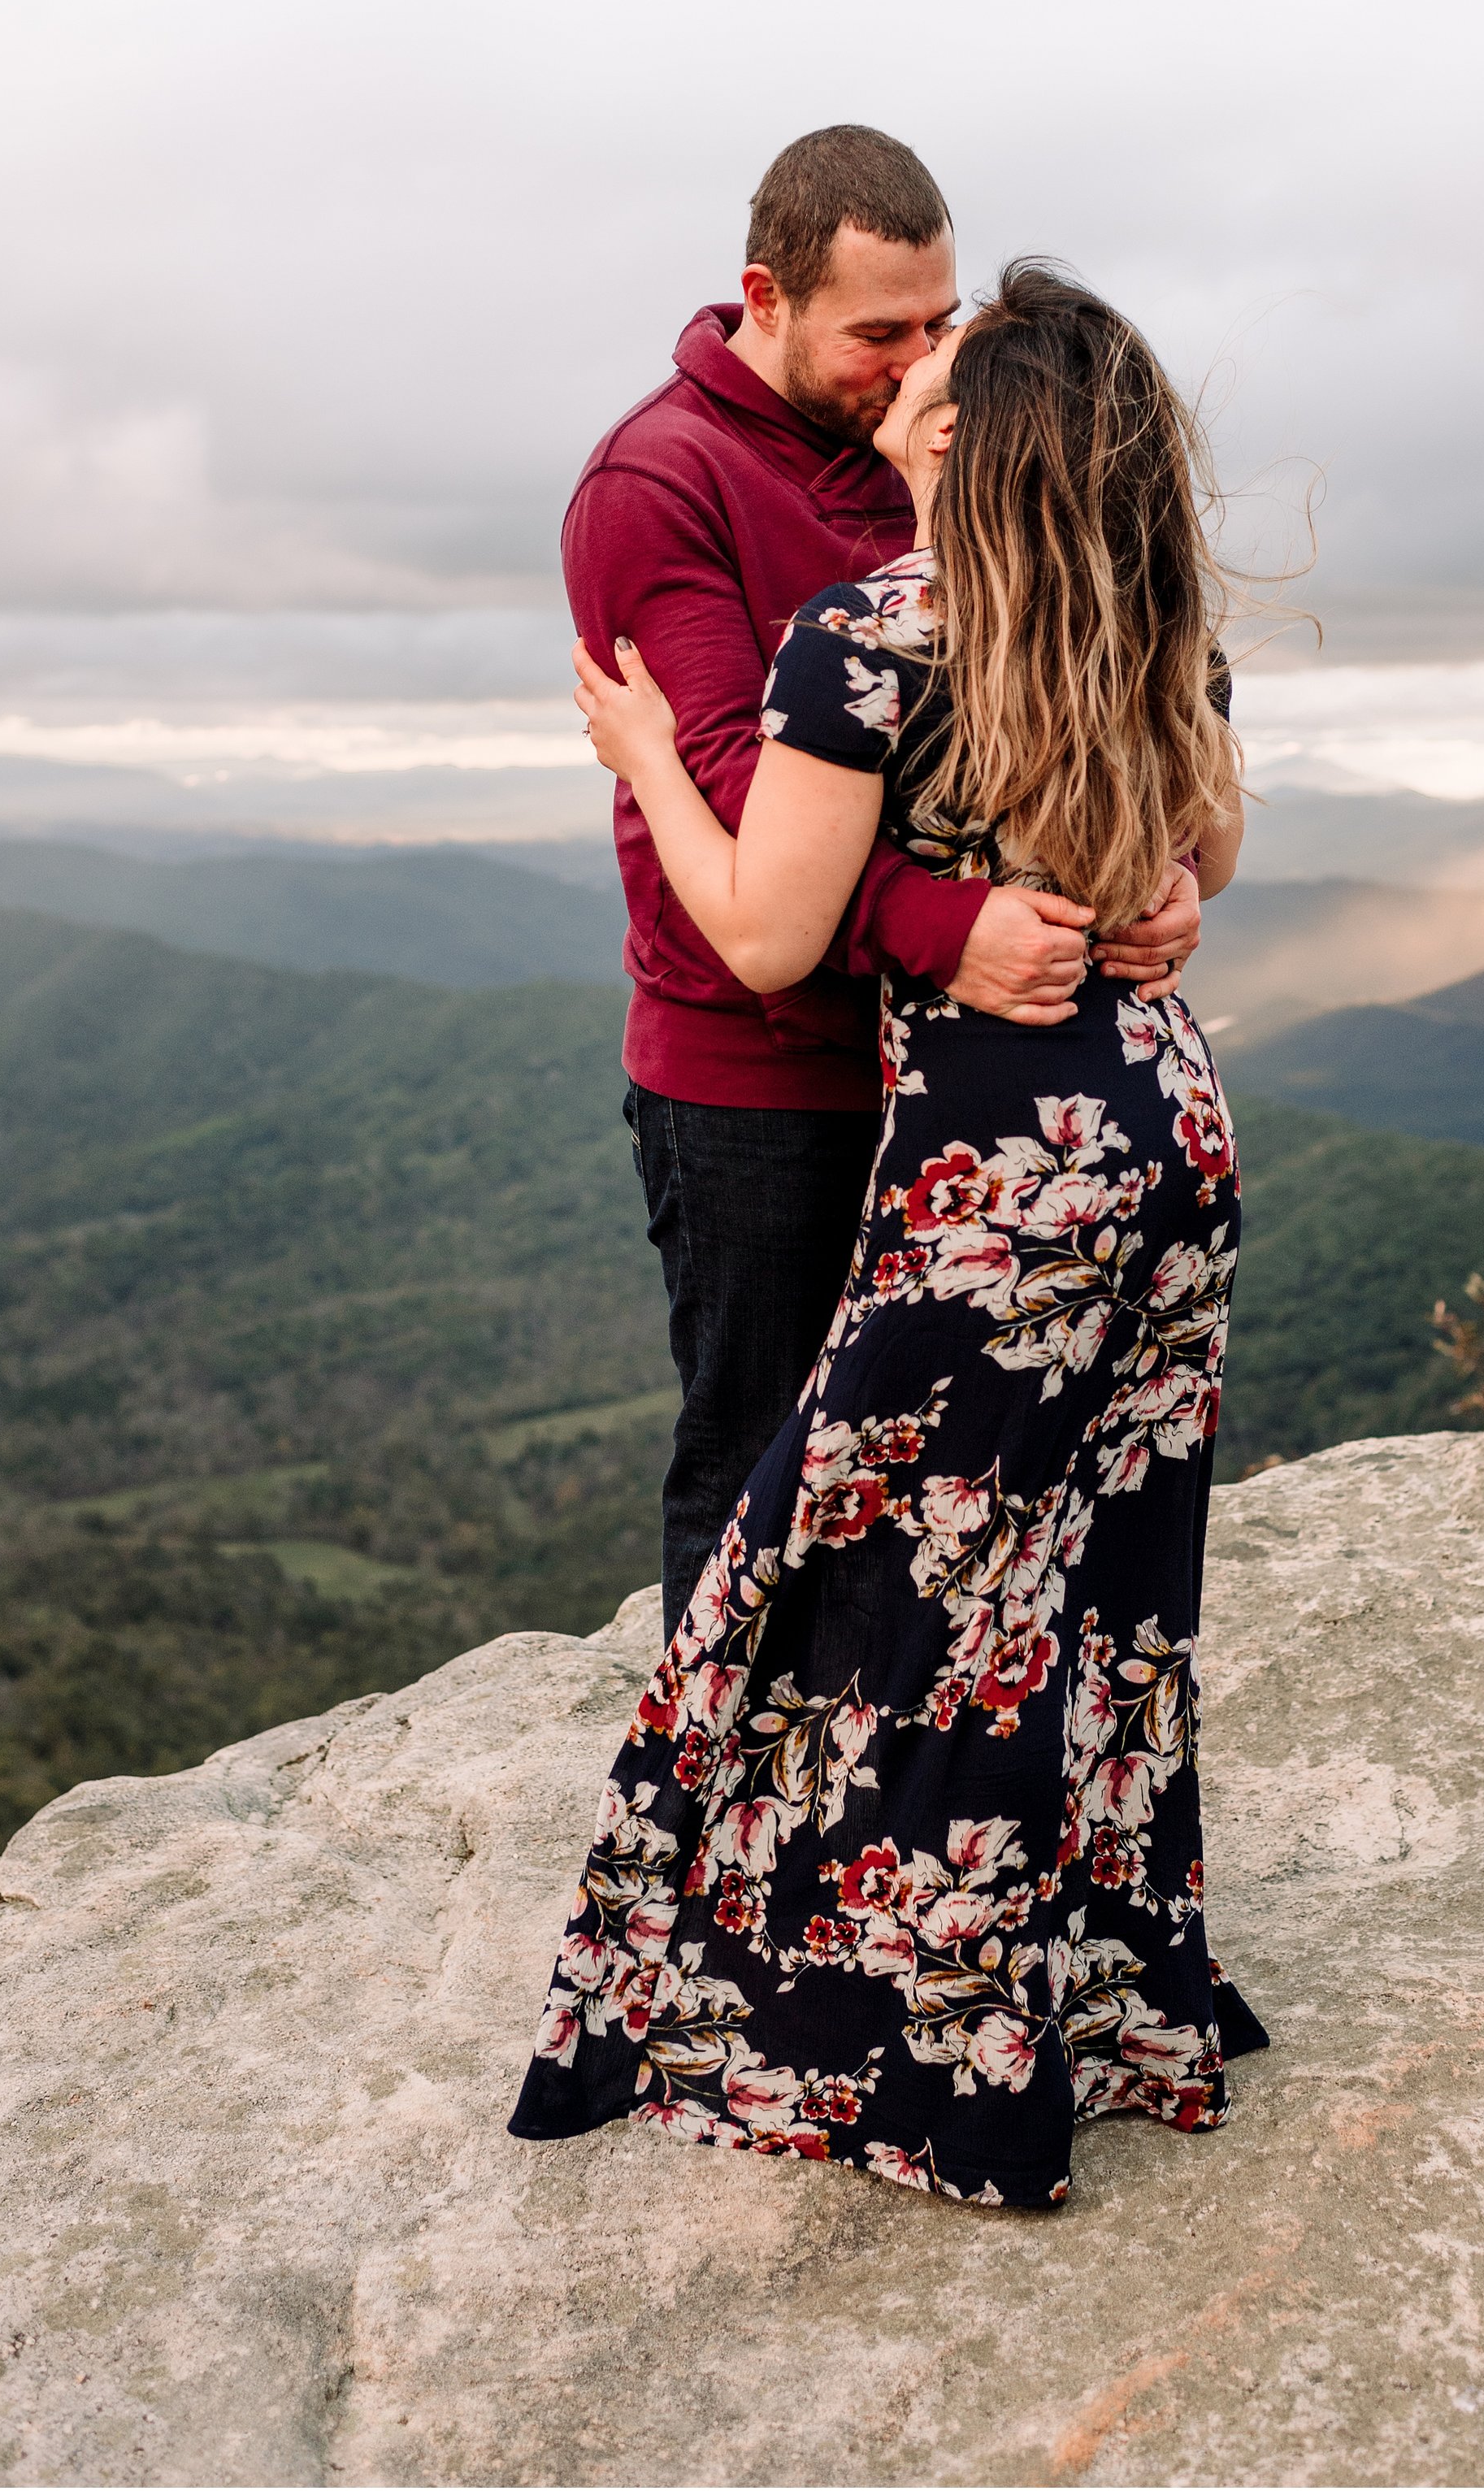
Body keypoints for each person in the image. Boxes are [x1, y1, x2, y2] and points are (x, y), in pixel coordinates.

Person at [510, 262, 1265, 2209]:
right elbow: (1209, 850)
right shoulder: (1137, 613)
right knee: (1100, 1579)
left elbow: (764, 932)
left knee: (889, 1573)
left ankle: (934, 2035)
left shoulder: (877, 635)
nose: (907, 387)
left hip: (999, 1182)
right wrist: (1145, 891)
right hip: (1164, 1132)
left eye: (936, 375)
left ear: (970, 442)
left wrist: (654, 766)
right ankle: (1104, 1991)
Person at [561, 128, 1204, 1638]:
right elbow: (726, 789)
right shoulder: (659, 482)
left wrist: (1149, 875)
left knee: (942, 1482)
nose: (921, 363)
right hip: (761, 1076)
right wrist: (944, 926)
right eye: (881, 334)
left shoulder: (940, 437)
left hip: (975, 1079)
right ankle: (723, 1828)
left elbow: (1057, 688)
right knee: (760, 1467)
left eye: (940, 323)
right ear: (764, 296)